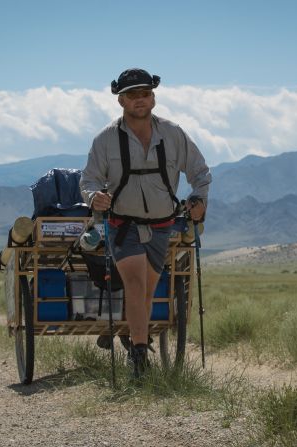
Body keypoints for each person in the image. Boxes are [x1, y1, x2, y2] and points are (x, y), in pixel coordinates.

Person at [80, 68, 211, 377]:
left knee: (147, 293)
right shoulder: (106, 139)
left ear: (153, 97)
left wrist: (199, 199)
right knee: (136, 286)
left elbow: (200, 173)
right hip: (122, 224)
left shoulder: (173, 133)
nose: (140, 100)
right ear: (120, 101)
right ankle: (139, 359)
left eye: (145, 94)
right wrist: (93, 197)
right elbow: (89, 181)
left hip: (162, 225)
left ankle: (129, 333)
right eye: (132, 95)